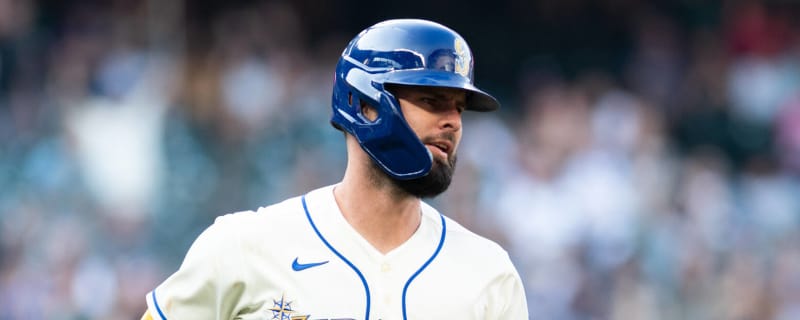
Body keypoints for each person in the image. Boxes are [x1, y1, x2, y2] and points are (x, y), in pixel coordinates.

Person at [142, 19, 529, 320]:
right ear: (365, 105)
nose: (453, 122)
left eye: (459, 107)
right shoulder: (244, 246)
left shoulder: (489, 273)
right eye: (432, 100)